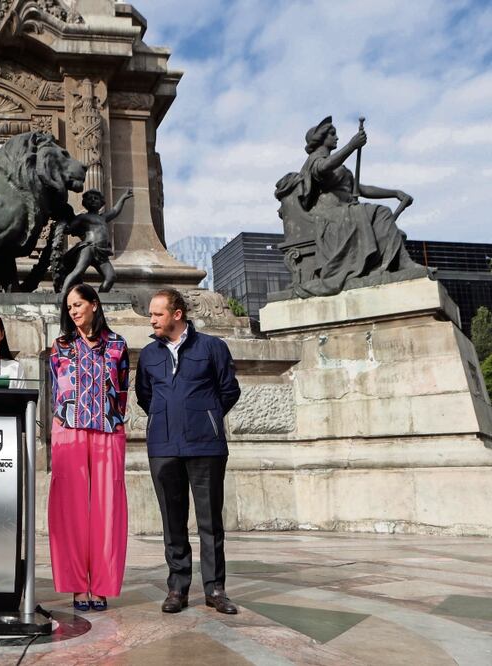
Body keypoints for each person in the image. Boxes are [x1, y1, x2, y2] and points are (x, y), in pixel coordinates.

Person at [135, 289, 241, 614]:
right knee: (173, 521)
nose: (151, 320)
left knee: (210, 521)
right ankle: (177, 588)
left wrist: (204, 415)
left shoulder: (212, 347)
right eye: (151, 314)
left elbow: (229, 390)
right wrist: (163, 419)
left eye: (157, 314)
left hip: (205, 446)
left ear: (177, 314)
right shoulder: (149, 355)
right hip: (163, 447)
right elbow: (144, 395)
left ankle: (215, 588)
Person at [48, 283, 130, 611]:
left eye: (79, 304)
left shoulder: (117, 344)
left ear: (94, 304)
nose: (74, 311)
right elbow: (57, 389)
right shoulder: (60, 345)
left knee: (108, 509)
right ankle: (77, 586)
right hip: (69, 430)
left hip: (109, 430)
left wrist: (112, 419)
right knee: (70, 511)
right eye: (69, 308)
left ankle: (102, 585)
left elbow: (122, 391)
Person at [274, 116, 422, 296]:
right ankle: (394, 263)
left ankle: (400, 262)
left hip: (345, 210)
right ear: (321, 138)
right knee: (377, 212)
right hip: (328, 214)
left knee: (382, 213)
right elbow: (324, 168)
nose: (337, 138)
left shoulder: (340, 166)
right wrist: (352, 146)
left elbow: (360, 188)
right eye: (333, 134)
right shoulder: (315, 161)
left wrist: (394, 193)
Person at [59, 188, 133, 295]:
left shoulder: (103, 217)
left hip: (101, 252)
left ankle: (100, 299)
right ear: (85, 203)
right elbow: (69, 228)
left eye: (96, 198)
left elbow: (115, 210)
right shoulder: (83, 217)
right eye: (89, 199)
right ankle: (63, 295)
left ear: (101, 202)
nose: (93, 200)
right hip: (89, 247)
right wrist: (65, 226)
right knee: (78, 271)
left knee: (111, 277)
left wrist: (123, 197)